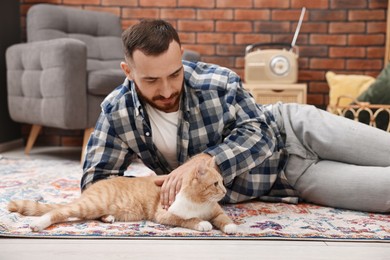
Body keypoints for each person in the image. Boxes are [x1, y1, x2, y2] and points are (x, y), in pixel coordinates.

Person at [82, 19, 390, 213]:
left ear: (181, 57)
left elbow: (263, 134)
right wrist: (151, 186)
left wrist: (205, 160)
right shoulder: (116, 112)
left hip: (296, 127)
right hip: (290, 179)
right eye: (151, 80)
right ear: (129, 72)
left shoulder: (218, 81)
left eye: (174, 74)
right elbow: (94, 183)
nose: (166, 90)